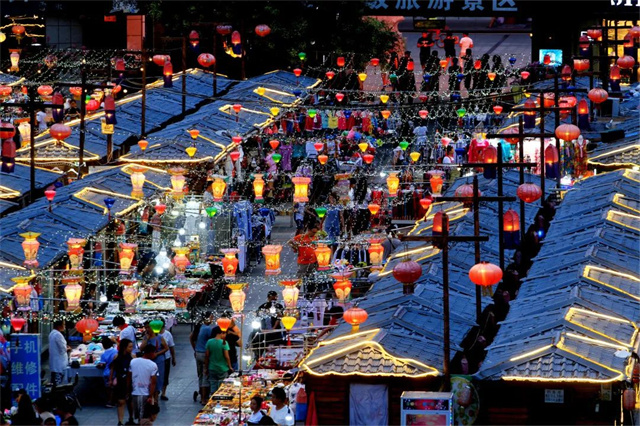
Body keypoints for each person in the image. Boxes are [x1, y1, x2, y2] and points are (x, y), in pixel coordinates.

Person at [139, 320, 169, 401]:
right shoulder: (146, 338)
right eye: (146, 328)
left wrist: (157, 354)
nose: (147, 329)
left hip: (158, 361)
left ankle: (155, 397)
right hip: (148, 360)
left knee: (158, 379)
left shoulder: (159, 337)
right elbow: (141, 348)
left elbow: (166, 348)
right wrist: (146, 339)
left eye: (148, 327)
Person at [128, 344, 158, 424]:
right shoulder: (153, 365)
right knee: (144, 417)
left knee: (139, 416)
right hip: (145, 394)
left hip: (135, 393)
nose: (155, 354)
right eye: (154, 352)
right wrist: (151, 396)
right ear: (151, 353)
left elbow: (129, 376)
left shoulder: (133, 361)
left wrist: (128, 390)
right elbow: (153, 382)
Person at [190, 311, 214, 404]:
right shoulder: (208, 329)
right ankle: (204, 398)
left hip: (198, 354)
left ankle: (201, 393)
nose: (212, 319)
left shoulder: (199, 327)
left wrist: (195, 349)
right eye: (211, 317)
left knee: (200, 375)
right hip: (204, 355)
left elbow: (191, 337)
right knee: (205, 375)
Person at [109, 338, 135, 426]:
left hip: (130, 381)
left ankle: (131, 418)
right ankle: (120, 421)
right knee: (121, 402)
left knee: (130, 402)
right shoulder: (116, 357)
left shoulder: (133, 357)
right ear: (124, 347)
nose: (131, 349)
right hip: (120, 381)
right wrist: (110, 379)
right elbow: (112, 368)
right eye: (129, 347)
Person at [204, 327, 233, 394]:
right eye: (225, 334)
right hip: (222, 368)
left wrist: (206, 367)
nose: (225, 335)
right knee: (222, 387)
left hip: (212, 368)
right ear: (221, 333)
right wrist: (230, 367)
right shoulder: (224, 343)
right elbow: (227, 356)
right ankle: (219, 399)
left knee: (213, 385)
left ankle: (213, 398)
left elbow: (207, 356)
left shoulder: (209, 341)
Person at [48, 319, 70, 385]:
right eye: (63, 324)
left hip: (54, 362)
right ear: (59, 326)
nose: (64, 326)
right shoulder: (58, 335)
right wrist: (68, 348)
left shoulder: (52, 333)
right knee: (58, 382)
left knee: (54, 380)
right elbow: (63, 349)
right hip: (59, 363)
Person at [99, 336, 118, 408]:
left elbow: (102, 364)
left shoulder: (103, 354)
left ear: (103, 346)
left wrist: (99, 365)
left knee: (108, 388)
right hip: (115, 373)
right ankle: (113, 401)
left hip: (107, 373)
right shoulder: (116, 351)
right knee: (114, 387)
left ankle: (109, 401)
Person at [159, 322, 176, 401]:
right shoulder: (152, 334)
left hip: (166, 358)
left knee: (165, 375)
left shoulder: (167, 334)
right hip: (155, 358)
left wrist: (173, 358)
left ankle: (163, 393)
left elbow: (171, 346)